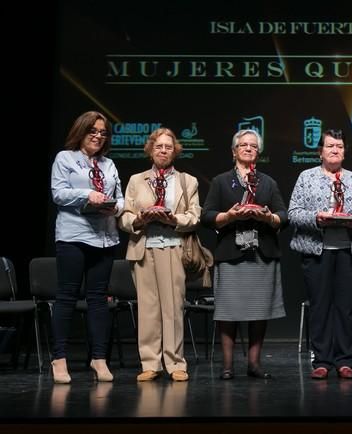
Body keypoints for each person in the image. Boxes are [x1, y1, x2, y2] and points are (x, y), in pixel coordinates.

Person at [200, 129, 287, 380]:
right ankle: (227, 366)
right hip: (231, 254)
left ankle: (254, 364)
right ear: (234, 151)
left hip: (261, 254)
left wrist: (268, 217)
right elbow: (206, 216)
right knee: (229, 313)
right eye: (243, 145)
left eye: (253, 146)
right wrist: (229, 216)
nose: (248, 148)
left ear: (258, 153)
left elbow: (284, 215)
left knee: (259, 312)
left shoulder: (268, 183)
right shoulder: (221, 181)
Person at [119, 128, 200, 382]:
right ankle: (150, 363)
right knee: (148, 308)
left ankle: (175, 363)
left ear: (175, 150)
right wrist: (140, 219)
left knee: (173, 308)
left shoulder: (188, 181)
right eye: (158, 146)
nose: (163, 150)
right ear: (150, 150)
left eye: (168, 146)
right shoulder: (136, 180)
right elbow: (125, 217)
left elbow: (194, 217)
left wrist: (173, 218)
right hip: (144, 248)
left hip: (173, 246)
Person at [288, 129, 352, 380]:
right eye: (330, 146)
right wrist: (316, 218)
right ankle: (321, 360)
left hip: (348, 251)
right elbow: (293, 213)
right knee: (320, 306)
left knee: (346, 308)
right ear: (320, 151)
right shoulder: (306, 177)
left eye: (340, 146)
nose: (335, 150)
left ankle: (345, 361)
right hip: (316, 251)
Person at [50, 110, 124, 383]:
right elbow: (58, 193)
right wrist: (87, 194)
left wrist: (114, 208)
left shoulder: (109, 164)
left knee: (98, 299)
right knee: (67, 296)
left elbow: (120, 198)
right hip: (73, 236)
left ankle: (99, 359)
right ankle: (59, 359)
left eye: (103, 133)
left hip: (104, 237)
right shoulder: (65, 158)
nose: (98, 136)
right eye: (93, 131)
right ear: (81, 131)